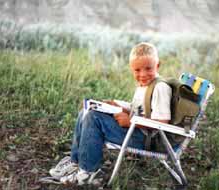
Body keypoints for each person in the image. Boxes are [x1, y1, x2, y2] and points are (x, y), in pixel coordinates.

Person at [49, 42, 172, 185]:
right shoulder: (145, 85)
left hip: (144, 139)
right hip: (136, 130)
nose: (143, 74)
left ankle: (88, 172)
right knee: (87, 111)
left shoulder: (160, 88)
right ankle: (76, 162)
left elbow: (162, 123)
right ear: (132, 69)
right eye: (137, 70)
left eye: (148, 68)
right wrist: (116, 104)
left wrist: (130, 121)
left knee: (93, 118)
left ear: (158, 65)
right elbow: (139, 109)